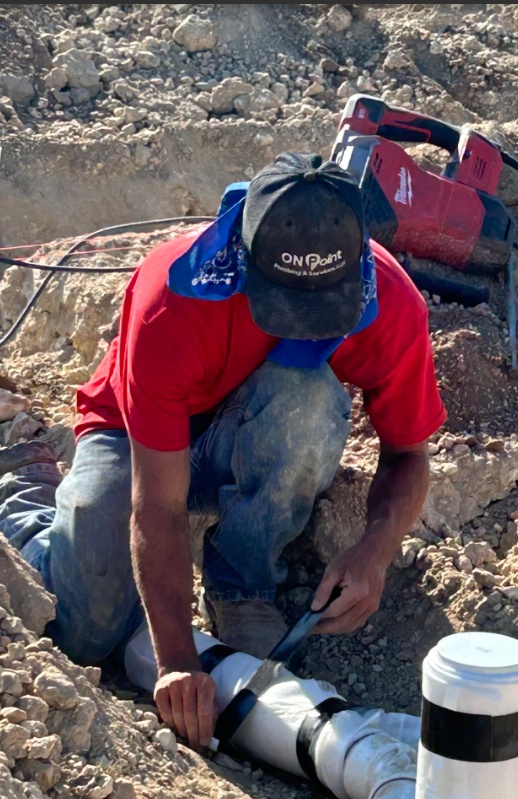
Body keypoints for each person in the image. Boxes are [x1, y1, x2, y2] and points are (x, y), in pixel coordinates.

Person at [0, 152, 446, 750]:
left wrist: (375, 550)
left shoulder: (390, 299)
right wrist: (177, 662)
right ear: (244, 257)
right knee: (83, 631)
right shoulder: (173, 296)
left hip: (256, 429)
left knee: (307, 397)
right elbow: (157, 506)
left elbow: (407, 455)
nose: (304, 325)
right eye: (289, 306)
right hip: (139, 436)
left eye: (322, 308)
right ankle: (25, 475)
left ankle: (243, 582)